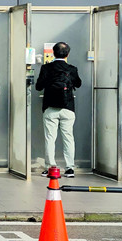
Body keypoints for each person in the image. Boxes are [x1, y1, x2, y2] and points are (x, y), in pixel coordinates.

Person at [36, 41, 82, 178]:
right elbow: (78, 84)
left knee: (50, 138)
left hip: (50, 107)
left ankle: (50, 167)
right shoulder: (72, 69)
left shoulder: (46, 68)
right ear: (68, 54)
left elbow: (38, 86)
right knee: (68, 137)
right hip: (68, 107)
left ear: (52, 53)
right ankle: (69, 169)